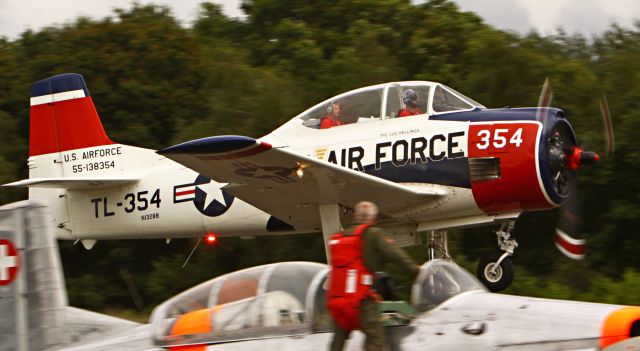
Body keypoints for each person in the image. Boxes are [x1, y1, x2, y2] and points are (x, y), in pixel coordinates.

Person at [327, 201, 420, 351]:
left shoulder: (339, 236)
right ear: (373, 218)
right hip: (359, 300)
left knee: (337, 342)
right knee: (376, 336)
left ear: (355, 216)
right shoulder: (372, 234)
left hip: (336, 302)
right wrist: (415, 271)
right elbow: (395, 255)